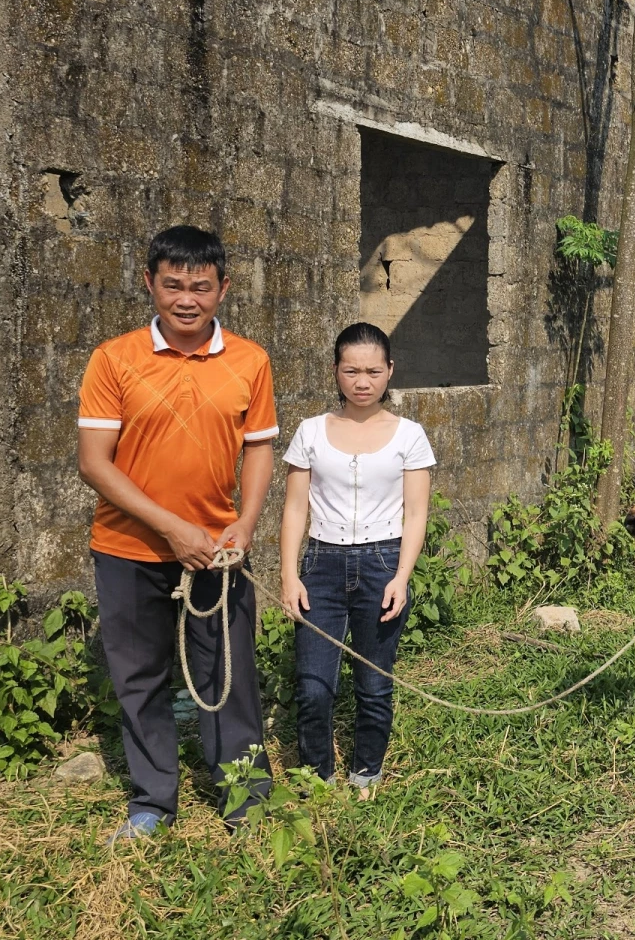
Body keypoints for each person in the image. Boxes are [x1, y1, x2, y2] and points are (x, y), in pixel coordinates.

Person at [77, 225, 279, 843]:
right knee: (139, 676)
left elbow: (260, 451)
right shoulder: (115, 359)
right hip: (128, 548)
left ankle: (245, 798)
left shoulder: (251, 360)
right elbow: (94, 462)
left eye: (199, 286)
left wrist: (243, 525)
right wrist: (171, 530)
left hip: (217, 553)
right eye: (171, 285)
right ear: (149, 284)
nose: (185, 299)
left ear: (222, 288)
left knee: (228, 674)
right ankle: (153, 800)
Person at [279, 322, 435, 799]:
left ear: (390, 371)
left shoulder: (409, 435)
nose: (362, 381)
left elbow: (416, 513)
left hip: (383, 563)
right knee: (312, 685)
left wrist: (401, 576)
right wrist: (288, 575)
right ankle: (316, 775)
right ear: (335, 371)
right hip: (321, 566)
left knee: (373, 682)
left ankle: (366, 771)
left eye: (372, 370)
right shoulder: (310, 432)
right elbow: (295, 508)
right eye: (351, 370)